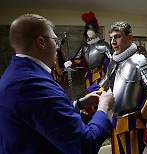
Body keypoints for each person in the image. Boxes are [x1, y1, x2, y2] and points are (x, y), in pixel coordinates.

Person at [0, 14, 115, 154]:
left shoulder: (16, 72)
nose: (57, 46)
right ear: (41, 42)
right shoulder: (35, 84)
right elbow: (85, 144)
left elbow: (44, 114)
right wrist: (103, 107)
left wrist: (78, 104)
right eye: (55, 40)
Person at [88, 21, 147, 154]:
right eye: (111, 38)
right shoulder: (113, 64)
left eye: (117, 36)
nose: (113, 41)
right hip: (116, 124)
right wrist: (93, 95)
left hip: (136, 127)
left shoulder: (141, 60)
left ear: (130, 37)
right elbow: (103, 86)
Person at [64, 11, 112, 115]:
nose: (89, 32)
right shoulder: (84, 46)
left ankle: (101, 117)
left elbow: (110, 62)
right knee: (89, 97)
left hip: (100, 75)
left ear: (96, 31)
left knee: (100, 97)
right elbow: (78, 60)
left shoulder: (104, 45)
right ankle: (91, 118)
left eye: (91, 30)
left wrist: (109, 77)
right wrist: (70, 63)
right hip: (88, 75)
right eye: (88, 30)